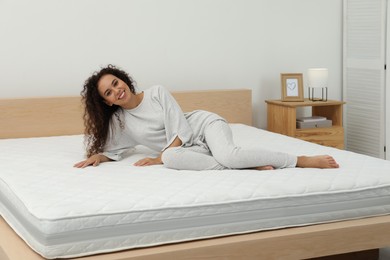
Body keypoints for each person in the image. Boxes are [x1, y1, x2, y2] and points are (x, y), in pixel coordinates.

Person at [74, 65, 339, 170]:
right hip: (187, 149)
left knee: (174, 156)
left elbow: (180, 129)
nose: (117, 91)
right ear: (107, 102)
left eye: (116, 83)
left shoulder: (156, 93)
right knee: (172, 157)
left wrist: (158, 157)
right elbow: (120, 148)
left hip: (203, 127)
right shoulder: (121, 121)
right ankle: (245, 167)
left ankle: (299, 160)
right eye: (109, 92)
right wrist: (99, 156)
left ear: (124, 80)